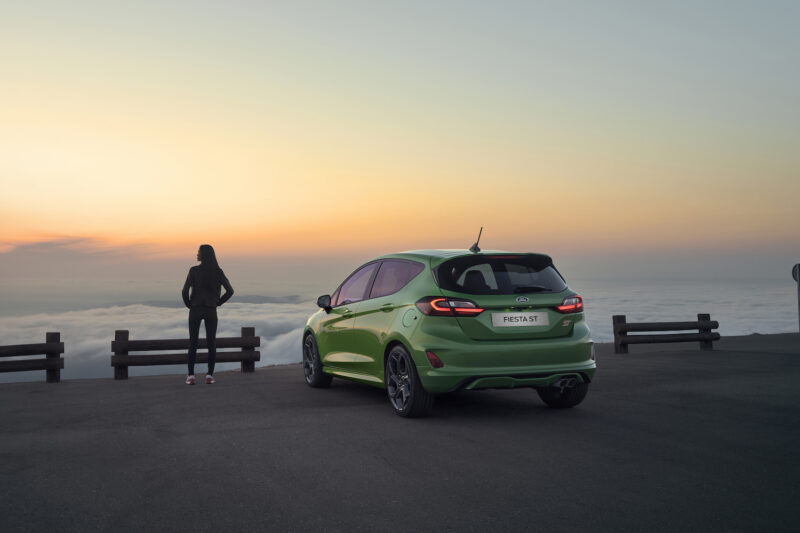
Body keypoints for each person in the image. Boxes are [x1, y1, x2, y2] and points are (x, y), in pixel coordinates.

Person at [181, 244, 234, 385]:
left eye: (198, 252)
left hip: (195, 309)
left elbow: (184, 291)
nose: (197, 254)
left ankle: (191, 376)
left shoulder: (193, 271)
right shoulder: (218, 271)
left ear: (203, 254)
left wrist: (189, 305)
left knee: (193, 342)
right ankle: (209, 376)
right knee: (212, 343)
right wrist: (218, 302)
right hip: (211, 310)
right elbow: (230, 291)